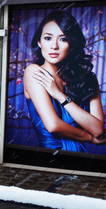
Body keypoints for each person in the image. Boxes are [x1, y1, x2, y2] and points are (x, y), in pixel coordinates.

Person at [23, 10, 106, 152]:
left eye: (63, 39)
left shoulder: (87, 78)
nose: (54, 46)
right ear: (39, 42)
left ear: (72, 44)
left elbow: (98, 129)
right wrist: (89, 138)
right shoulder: (34, 72)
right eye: (48, 38)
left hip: (81, 158)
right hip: (52, 159)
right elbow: (53, 125)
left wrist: (59, 95)